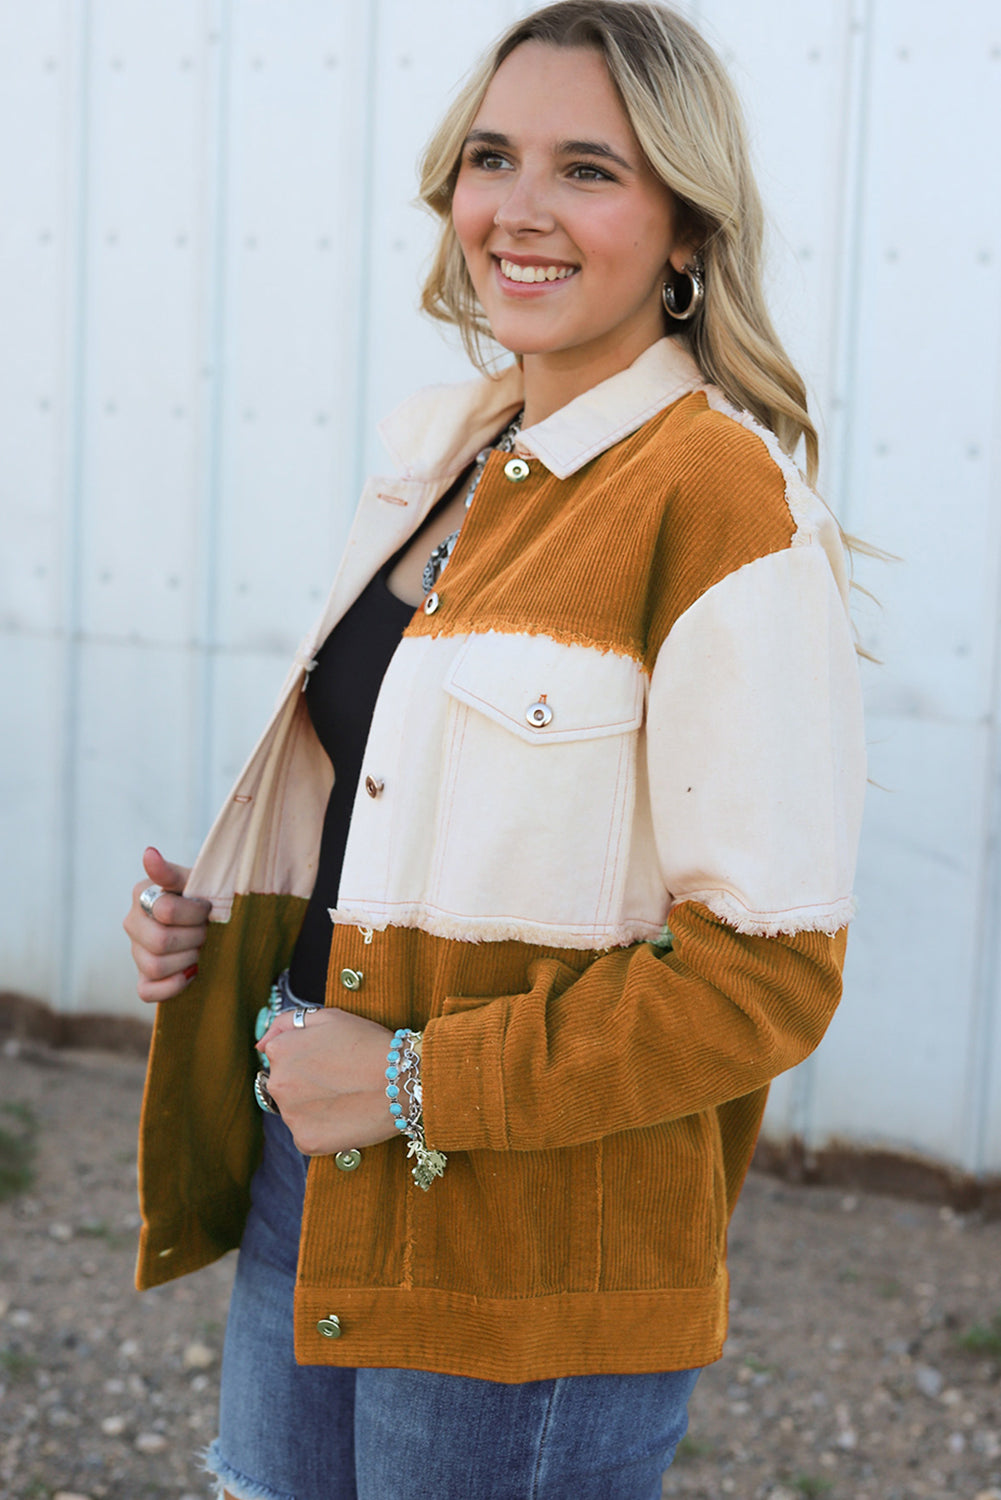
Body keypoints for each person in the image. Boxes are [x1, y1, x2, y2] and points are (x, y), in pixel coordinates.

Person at [123, 4, 865, 1497]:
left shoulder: (713, 496)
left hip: (525, 1262)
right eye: (491, 158)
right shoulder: (442, 452)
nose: (517, 211)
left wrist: (408, 1086)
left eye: (586, 168)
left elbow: (766, 977)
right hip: (311, 1168)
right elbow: (404, 808)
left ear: (682, 228)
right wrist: (238, 919)